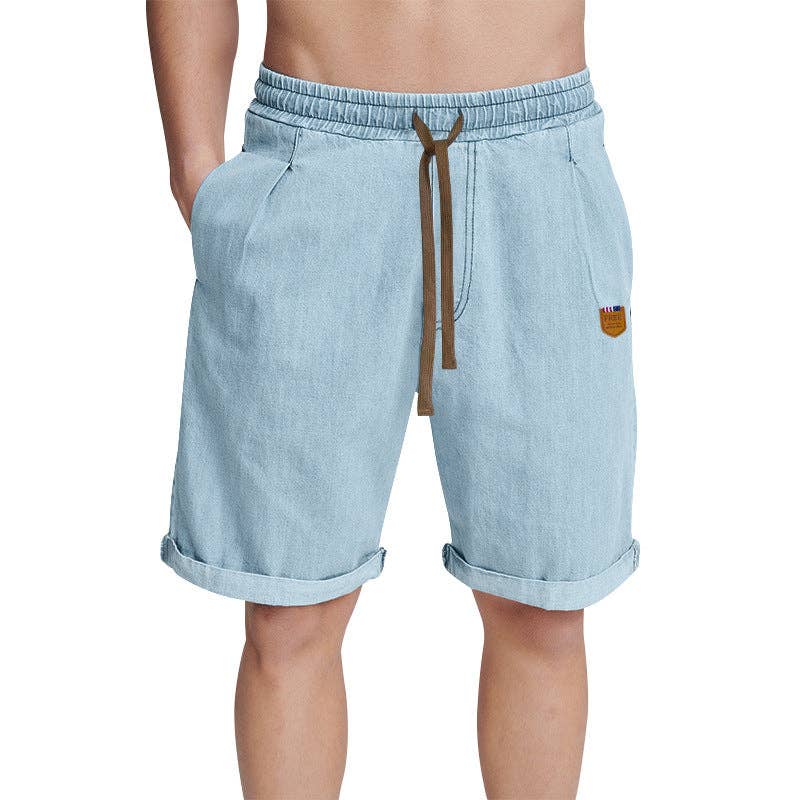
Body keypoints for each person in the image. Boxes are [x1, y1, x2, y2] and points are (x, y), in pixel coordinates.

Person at [147, 1, 638, 797]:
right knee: (290, 611)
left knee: (544, 605)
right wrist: (195, 169)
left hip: (539, 162)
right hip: (313, 156)